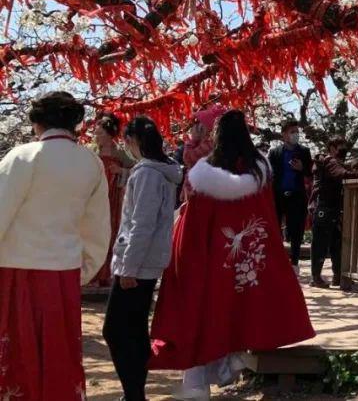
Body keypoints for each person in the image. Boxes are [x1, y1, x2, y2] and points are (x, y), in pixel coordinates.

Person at [150, 109, 314, 399]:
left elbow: (194, 227)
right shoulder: (259, 174)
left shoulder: (204, 176)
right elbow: (267, 221)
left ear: (218, 137)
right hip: (251, 260)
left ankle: (199, 383)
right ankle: (233, 357)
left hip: (213, 261)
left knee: (208, 314)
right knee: (244, 309)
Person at [0, 91, 111, 401]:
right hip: (63, 271)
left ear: (37, 122)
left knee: (17, 355)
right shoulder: (91, 162)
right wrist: (84, 270)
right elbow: (98, 226)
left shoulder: (22, 157)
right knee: (59, 353)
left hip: (16, 268)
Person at [103, 116, 182, 401]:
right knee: (134, 330)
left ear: (134, 141)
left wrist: (128, 267)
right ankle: (134, 393)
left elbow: (142, 224)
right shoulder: (162, 170)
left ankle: (133, 393)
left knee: (115, 330)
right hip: (145, 263)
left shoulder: (147, 173)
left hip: (137, 265)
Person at [92, 111, 135, 287]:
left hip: (112, 198)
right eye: (96, 133)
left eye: (100, 133)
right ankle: (91, 273)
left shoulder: (121, 153)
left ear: (110, 134)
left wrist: (121, 172)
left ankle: (105, 274)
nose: (97, 136)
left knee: (108, 232)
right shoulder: (92, 151)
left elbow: (136, 170)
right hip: (94, 197)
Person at [310, 136, 358, 288]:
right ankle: (317, 277)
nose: (343, 148)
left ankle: (338, 275)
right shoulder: (330, 161)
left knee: (336, 243)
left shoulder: (328, 161)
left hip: (331, 207)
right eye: (339, 145)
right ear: (331, 147)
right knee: (322, 243)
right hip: (327, 207)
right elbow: (341, 174)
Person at [269, 119, 314, 269]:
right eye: (292, 132)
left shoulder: (304, 151)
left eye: (297, 132)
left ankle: (294, 263)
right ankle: (276, 261)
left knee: (296, 230)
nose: (295, 134)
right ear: (284, 135)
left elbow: (310, 172)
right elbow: (269, 173)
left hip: (297, 195)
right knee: (275, 229)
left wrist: (302, 168)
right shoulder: (275, 153)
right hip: (279, 195)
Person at [182, 105, 224, 203]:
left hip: (199, 196)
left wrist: (192, 141)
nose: (195, 126)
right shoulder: (207, 143)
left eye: (199, 123)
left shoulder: (209, 144)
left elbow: (188, 158)